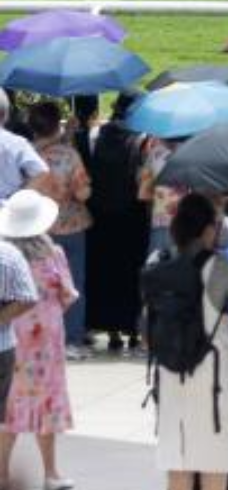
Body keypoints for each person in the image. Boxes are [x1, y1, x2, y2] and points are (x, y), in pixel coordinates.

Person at [152, 192, 228, 490]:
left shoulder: (158, 260)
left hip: (169, 371)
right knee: (214, 464)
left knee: (178, 462)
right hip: (213, 374)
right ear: (207, 229)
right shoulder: (219, 267)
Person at [0, 190, 75, 490]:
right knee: (48, 403)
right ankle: (51, 473)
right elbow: (67, 295)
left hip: (9, 339)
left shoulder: (4, 258)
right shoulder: (53, 253)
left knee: (8, 405)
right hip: (46, 342)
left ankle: (2, 474)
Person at [83, 94, 146, 354]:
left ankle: (109, 329)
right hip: (132, 216)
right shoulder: (141, 138)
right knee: (131, 272)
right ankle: (132, 329)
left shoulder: (96, 135)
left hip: (100, 217)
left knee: (104, 272)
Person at [26, 102, 87, 352]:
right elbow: (83, 193)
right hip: (70, 225)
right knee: (73, 283)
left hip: (35, 228)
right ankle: (71, 339)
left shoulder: (25, 152)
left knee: (39, 285)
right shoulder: (69, 155)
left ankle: (42, 335)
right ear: (57, 124)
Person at [0, 97, 49, 206]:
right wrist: (17, 201)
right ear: (4, 115)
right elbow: (41, 172)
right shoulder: (15, 142)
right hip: (7, 214)